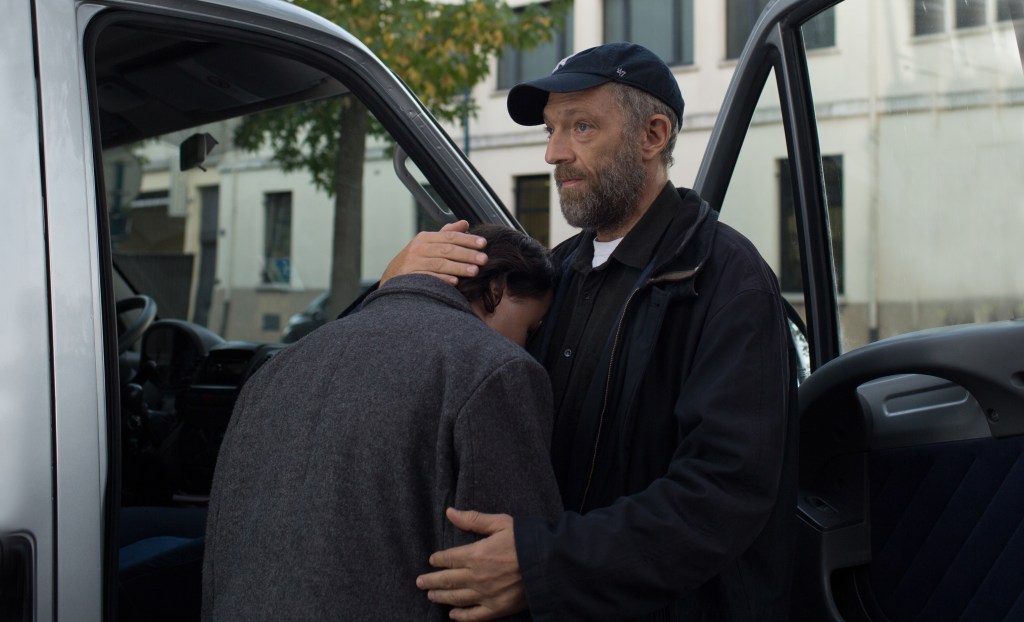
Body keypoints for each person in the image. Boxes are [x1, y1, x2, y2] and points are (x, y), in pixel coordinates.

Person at [392, 43, 798, 620]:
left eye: (581, 126)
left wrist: (543, 564)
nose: (555, 153)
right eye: (552, 130)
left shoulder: (728, 284)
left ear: (652, 135)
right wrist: (396, 284)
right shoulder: (555, 272)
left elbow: (723, 495)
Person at [201, 224, 564, 621]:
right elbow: (501, 579)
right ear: (497, 289)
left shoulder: (276, 369)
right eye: (531, 328)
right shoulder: (495, 369)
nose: (527, 345)